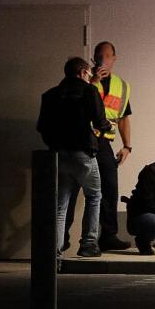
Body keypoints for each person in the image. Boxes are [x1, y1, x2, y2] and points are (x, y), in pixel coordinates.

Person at [36, 57, 112, 261]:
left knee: (61, 204)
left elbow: (42, 127)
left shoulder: (50, 95)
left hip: (58, 155)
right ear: (82, 72)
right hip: (83, 152)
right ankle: (88, 244)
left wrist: (54, 145)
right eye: (88, 73)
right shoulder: (89, 91)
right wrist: (107, 127)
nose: (90, 77)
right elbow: (99, 119)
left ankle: (55, 253)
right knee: (94, 196)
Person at [62, 41, 133, 251]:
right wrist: (93, 81)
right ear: (93, 58)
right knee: (72, 189)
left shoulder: (122, 85)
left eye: (107, 56)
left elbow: (123, 117)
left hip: (104, 142)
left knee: (110, 187)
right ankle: (63, 237)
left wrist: (127, 146)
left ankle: (108, 235)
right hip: (83, 138)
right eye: (98, 56)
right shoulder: (82, 78)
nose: (102, 60)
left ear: (114, 58)